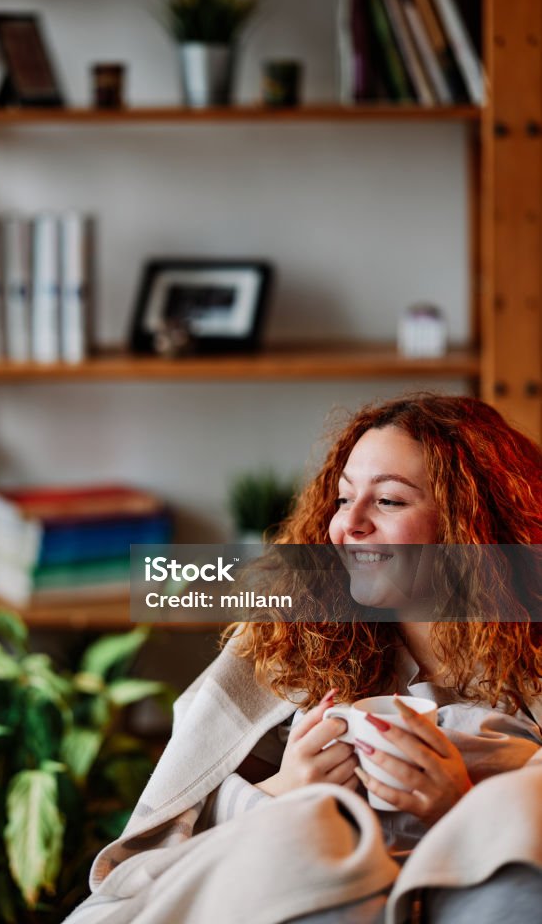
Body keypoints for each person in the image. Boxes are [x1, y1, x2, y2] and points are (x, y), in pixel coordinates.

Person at [63, 394, 542, 924]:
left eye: (389, 502)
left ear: (472, 525)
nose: (350, 525)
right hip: (317, 900)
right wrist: (285, 790)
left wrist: (458, 807)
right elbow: (178, 834)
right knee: (311, 840)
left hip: (471, 897)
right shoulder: (289, 640)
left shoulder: (529, 664)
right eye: (342, 499)